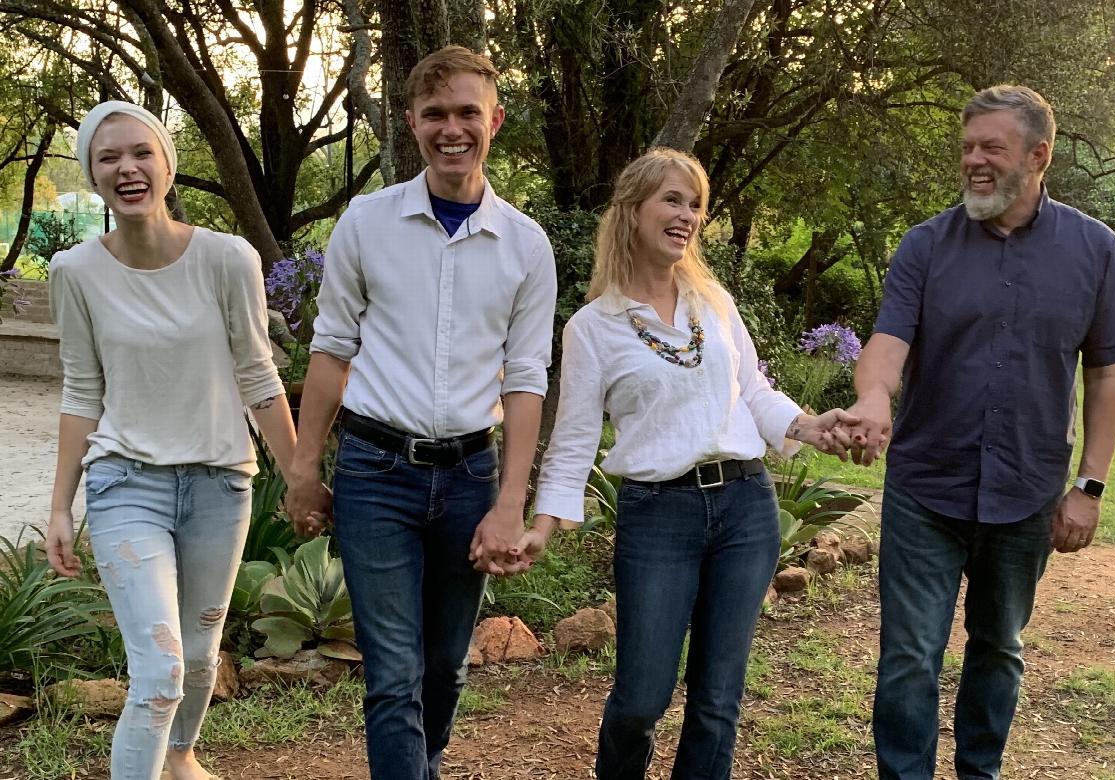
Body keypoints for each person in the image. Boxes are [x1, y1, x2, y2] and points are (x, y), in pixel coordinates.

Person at [847, 85, 1115, 779]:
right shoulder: (926, 244)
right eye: (967, 148)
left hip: (1026, 490)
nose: (974, 161)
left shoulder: (1094, 248)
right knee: (908, 654)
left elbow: (1107, 375)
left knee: (998, 647)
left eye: (992, 147)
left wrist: (1089, 487)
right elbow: (888, 344)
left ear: (1038, 156)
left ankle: (977, 772)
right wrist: (872, 399)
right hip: (926, 488)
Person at [525, 148, 858, 779]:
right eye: (672, 200)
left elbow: (752, 390)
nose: (687, 215)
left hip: (745, 507)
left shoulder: (715, 304)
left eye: (695, 204)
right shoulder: (594, 326)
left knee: (717, 698)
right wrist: (543, 525)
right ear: (632, 211)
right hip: (659, 516)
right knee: (640, 699)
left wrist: (806, 426)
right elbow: (573, 437)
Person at [283, 46, 557, 779]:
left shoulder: (526, 246)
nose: (451, 129)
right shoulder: (366, 223)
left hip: (469, 475)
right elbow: (331, 349)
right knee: (393, 673)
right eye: (435, 114)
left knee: (444, 668)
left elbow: (527, 378)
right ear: (411, 123)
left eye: (468, 112)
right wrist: (304, 469)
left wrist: (511, 502)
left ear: (495, 120)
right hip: (375, 473)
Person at [43, 101, 307, 780]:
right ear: (92, 175)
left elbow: (258, 375)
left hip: (221, 484)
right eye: (108, 157)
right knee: (160, 669)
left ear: (167, 163)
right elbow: (81, 392)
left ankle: (182, 759)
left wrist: (300, 479)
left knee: (196, 655)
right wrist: (59, 508)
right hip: (125, 483)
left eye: (141, 152)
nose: (127, 168)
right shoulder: (75, 272)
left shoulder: (227, 258)